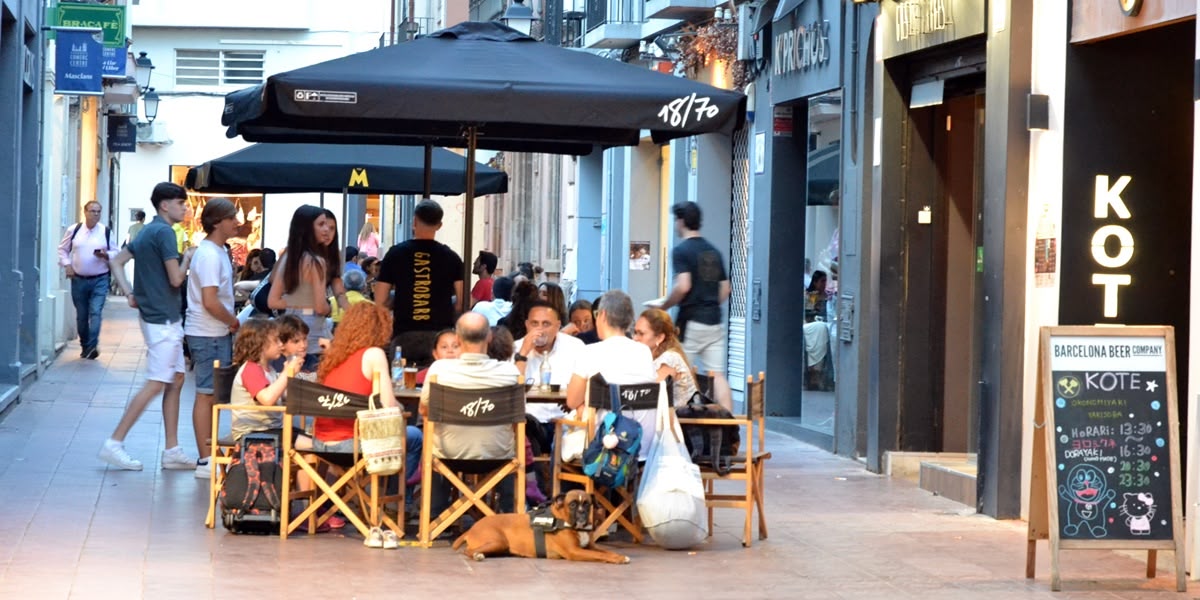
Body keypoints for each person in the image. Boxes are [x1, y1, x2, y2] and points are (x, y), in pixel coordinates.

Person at [100, 182, 196, 471]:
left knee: (176, 379)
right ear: (165, 205)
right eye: (181, 203)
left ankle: (172, 449)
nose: (185, 208)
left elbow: (117, 261)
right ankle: (114, 443)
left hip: (158, 316)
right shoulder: (165, 233)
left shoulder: (146, 232)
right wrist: (188, 257)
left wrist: (131, 293)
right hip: (163, 319)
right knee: (157, 382)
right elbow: (177, 279)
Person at [306, 303, 422, 496]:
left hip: (321, 443)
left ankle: (355, 498)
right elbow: (387, 406)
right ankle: (393, 501)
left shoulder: (333, 356)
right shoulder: (373, 354)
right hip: (354, 443)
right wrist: (401, 408)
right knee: (412, 436)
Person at [421, 312, 522, 514]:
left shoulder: (439, 370)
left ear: (458, 339)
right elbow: (517, 416)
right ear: (489, 337)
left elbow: (424, 409)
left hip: (448, 454)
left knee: (430, 432)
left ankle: (435, 514)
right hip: (497, 455)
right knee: (512, 438)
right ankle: (511, 511)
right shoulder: (510, 373)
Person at [186, 198, 243, 479]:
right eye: (232, 217)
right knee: (207, 393)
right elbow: (210, 300)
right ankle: (205, 458)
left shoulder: (218, 251)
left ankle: (209, 456)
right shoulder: (209, 255)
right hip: (208, 332)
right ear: (217, 222)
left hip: (214, 331)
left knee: (213, 393)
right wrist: (233, 321)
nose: (237, 222)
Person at [566, 290, 657, 459]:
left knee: (559, 438)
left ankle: (569, 486)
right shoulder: (644, 352)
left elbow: (571, 401)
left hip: (605, 446)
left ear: (603, 315)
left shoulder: (590, 352)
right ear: (629, 320)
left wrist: (581, 406)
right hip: (642, 445)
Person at [661, 202, 732, 411]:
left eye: (676, 219)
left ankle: (680, 424)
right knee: (717, 375)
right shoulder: (714, 251)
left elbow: (683, 286)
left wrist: (664, 306)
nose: (675, 224)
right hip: (714, 321)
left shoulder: (681, 251)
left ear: (681, 221)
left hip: (690, 322)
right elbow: (726, 289)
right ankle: (730, 426)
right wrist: (709, 304)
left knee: (680, 372)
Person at [374, 199, 463, 367]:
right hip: (440, 338)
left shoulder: (395, 254)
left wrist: (395, 302)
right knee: (439, 387)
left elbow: (379, 301)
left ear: (414, 221)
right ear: (439, 225)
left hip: (404, 335)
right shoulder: (451, 258)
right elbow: (463, 301)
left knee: (402, 387)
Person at [267, 205, 340, 373]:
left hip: (288, 337)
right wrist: (328, 306)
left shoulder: (290, 258)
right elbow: (321, 307)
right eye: (320, 224)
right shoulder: (316, 261)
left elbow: (273, 301)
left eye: (328, 226)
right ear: (308, 228)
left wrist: (301, 302)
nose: (326, 230)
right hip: (312, 340)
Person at [513, 300, 584, 440]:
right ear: (527, 325)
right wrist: (523, 354)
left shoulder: (575, 347)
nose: (539, 330)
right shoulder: (516, 349)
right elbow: (509, 390)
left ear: (557, 326)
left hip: (565, 423)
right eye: (534, 324)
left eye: (546, 324)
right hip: (528, 425)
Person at [58, 200, 119, 360]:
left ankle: (92, 346)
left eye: (98, 211)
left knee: (96, 312)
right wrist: (67, 265)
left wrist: (106, 255)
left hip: (100, 278)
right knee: (82, 315)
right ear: (85, 212)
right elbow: (62, 250)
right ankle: (85, 345)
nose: (95, 214)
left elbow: (116, 252)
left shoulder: (105, 231)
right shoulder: (74, 230)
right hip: (78, 279)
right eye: (92, 211)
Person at [229, 318, 303, 443]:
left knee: (316, 440)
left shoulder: (269, 369)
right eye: (276, 340)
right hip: (253, 433)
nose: (281, 344)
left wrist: (290, 377)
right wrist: (286, 374)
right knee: (315, 445)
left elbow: (281, 396)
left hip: (271, 429)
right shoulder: (251, 369)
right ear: (260, 344)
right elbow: (267, 399)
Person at [633, 308, 698, 406]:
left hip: (682, 419)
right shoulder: (651, 357)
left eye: (641, 333)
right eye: (635, 332)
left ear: (659, 337)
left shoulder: (670, 359)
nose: (635, 338)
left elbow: (649, 396)